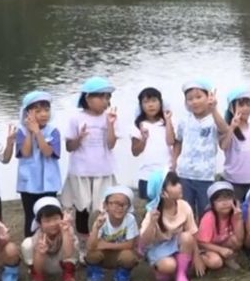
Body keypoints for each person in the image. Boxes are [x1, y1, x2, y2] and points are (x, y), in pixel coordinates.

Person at [62, 77, 119, 250]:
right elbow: (69, 147)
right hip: (80, 171)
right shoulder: (76, 118)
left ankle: (104, 242)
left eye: (107, 97)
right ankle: (83, 245)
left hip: (103, 170)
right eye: (101, 97)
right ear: (88, 98)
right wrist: (78, 138)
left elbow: (111, 144)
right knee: (82, 208)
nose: (105, 101)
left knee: (104, 207)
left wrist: (110, 125)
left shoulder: (110, 117)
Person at [173, 79, 230, 217]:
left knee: (206, 211)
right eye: (190, 99)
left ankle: (204, 236)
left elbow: (225, 130)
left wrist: (214, 109)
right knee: (185, 211)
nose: (195, 102)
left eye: (199, 97)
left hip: (205, 175)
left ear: (208, 97)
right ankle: (188, 236)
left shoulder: (214, 119)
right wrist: (174, 163)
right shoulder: (184, 120)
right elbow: (178, 141)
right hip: (184, 174)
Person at [139, 170, 203, 281]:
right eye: (174, 184)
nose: (180, 186)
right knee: (169, 266)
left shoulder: (184, 205)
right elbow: (143, 242)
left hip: (176, 244)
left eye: (178, 182)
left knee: (187, 237)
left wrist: (197, 256)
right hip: (158, 248)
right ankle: (163, 269)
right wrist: (153, 223)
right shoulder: (153, 212)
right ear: (163, 192)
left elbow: (192, 232)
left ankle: (180, 274)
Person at [15, 91, 62, 238]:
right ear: (27, 113)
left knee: (50, 214)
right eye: (38, 111)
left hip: (48, 182)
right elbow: (26, 152)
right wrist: (30, 132)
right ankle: (30, 245)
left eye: (46, 110)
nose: (43, 114)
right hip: (28, 182)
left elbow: (48, 152)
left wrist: (38, 133)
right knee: (31, 215)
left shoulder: (53, 131)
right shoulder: (21, 131)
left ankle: (52, 243)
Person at [85, 186, 140, 281]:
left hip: (119, 255)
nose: (119, 207)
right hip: (102, 255)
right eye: (114, 203)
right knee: (92, 254)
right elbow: (90, 246)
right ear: (105, 205)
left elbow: (130, 244)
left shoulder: (130, 219)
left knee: (129, 257)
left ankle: (122, 273)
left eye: (123, 204)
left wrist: (105, 244)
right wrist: (96, 228)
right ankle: (95, 271)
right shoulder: (101, 219)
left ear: (128, 207)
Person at [21, 197, 77, 281]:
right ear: (39, 223)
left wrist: (65, 233)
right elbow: (38, 267)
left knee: (73, 242)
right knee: (27, 244)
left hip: (62, 262)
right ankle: (37, 275)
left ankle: (68, 273)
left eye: (56, 219)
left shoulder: (66, 229)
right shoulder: (38, 236)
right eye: (47, 221)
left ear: (61, 218)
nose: (52, 224)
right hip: (44, 265)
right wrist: (40, 253)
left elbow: (68, 254)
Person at [130, 87, 174, 200]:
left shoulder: (167, 122)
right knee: (151, 207)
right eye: (146, 102)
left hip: (166, 172)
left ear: (161, 103)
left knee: (168, 204)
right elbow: (135, 152)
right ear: (141, 105)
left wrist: (168, 121)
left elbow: (171, 141)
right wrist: (144, 139)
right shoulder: (138, 125)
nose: (150, 105)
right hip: (146, 174)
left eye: (154, 101)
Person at [222, 88, 250, 201]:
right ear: (232, 109)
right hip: (233, 180)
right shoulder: (228, 129)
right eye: (241, 105)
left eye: (248, 105)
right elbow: (224, 146)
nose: (246, 108)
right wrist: (232, 127)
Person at [197, 182, 244, 272]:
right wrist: (220, 250)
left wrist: (238, 219)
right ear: (212, 204)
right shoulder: (209, 217)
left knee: (235, 241)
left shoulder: (234, 214)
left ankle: (227, 258)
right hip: (207, 247)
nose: (225, 203)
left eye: (228, 199)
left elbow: (240, 239)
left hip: (222, 243)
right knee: (216, 262)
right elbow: (201, 243)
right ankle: (199, 260)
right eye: (220, 200)